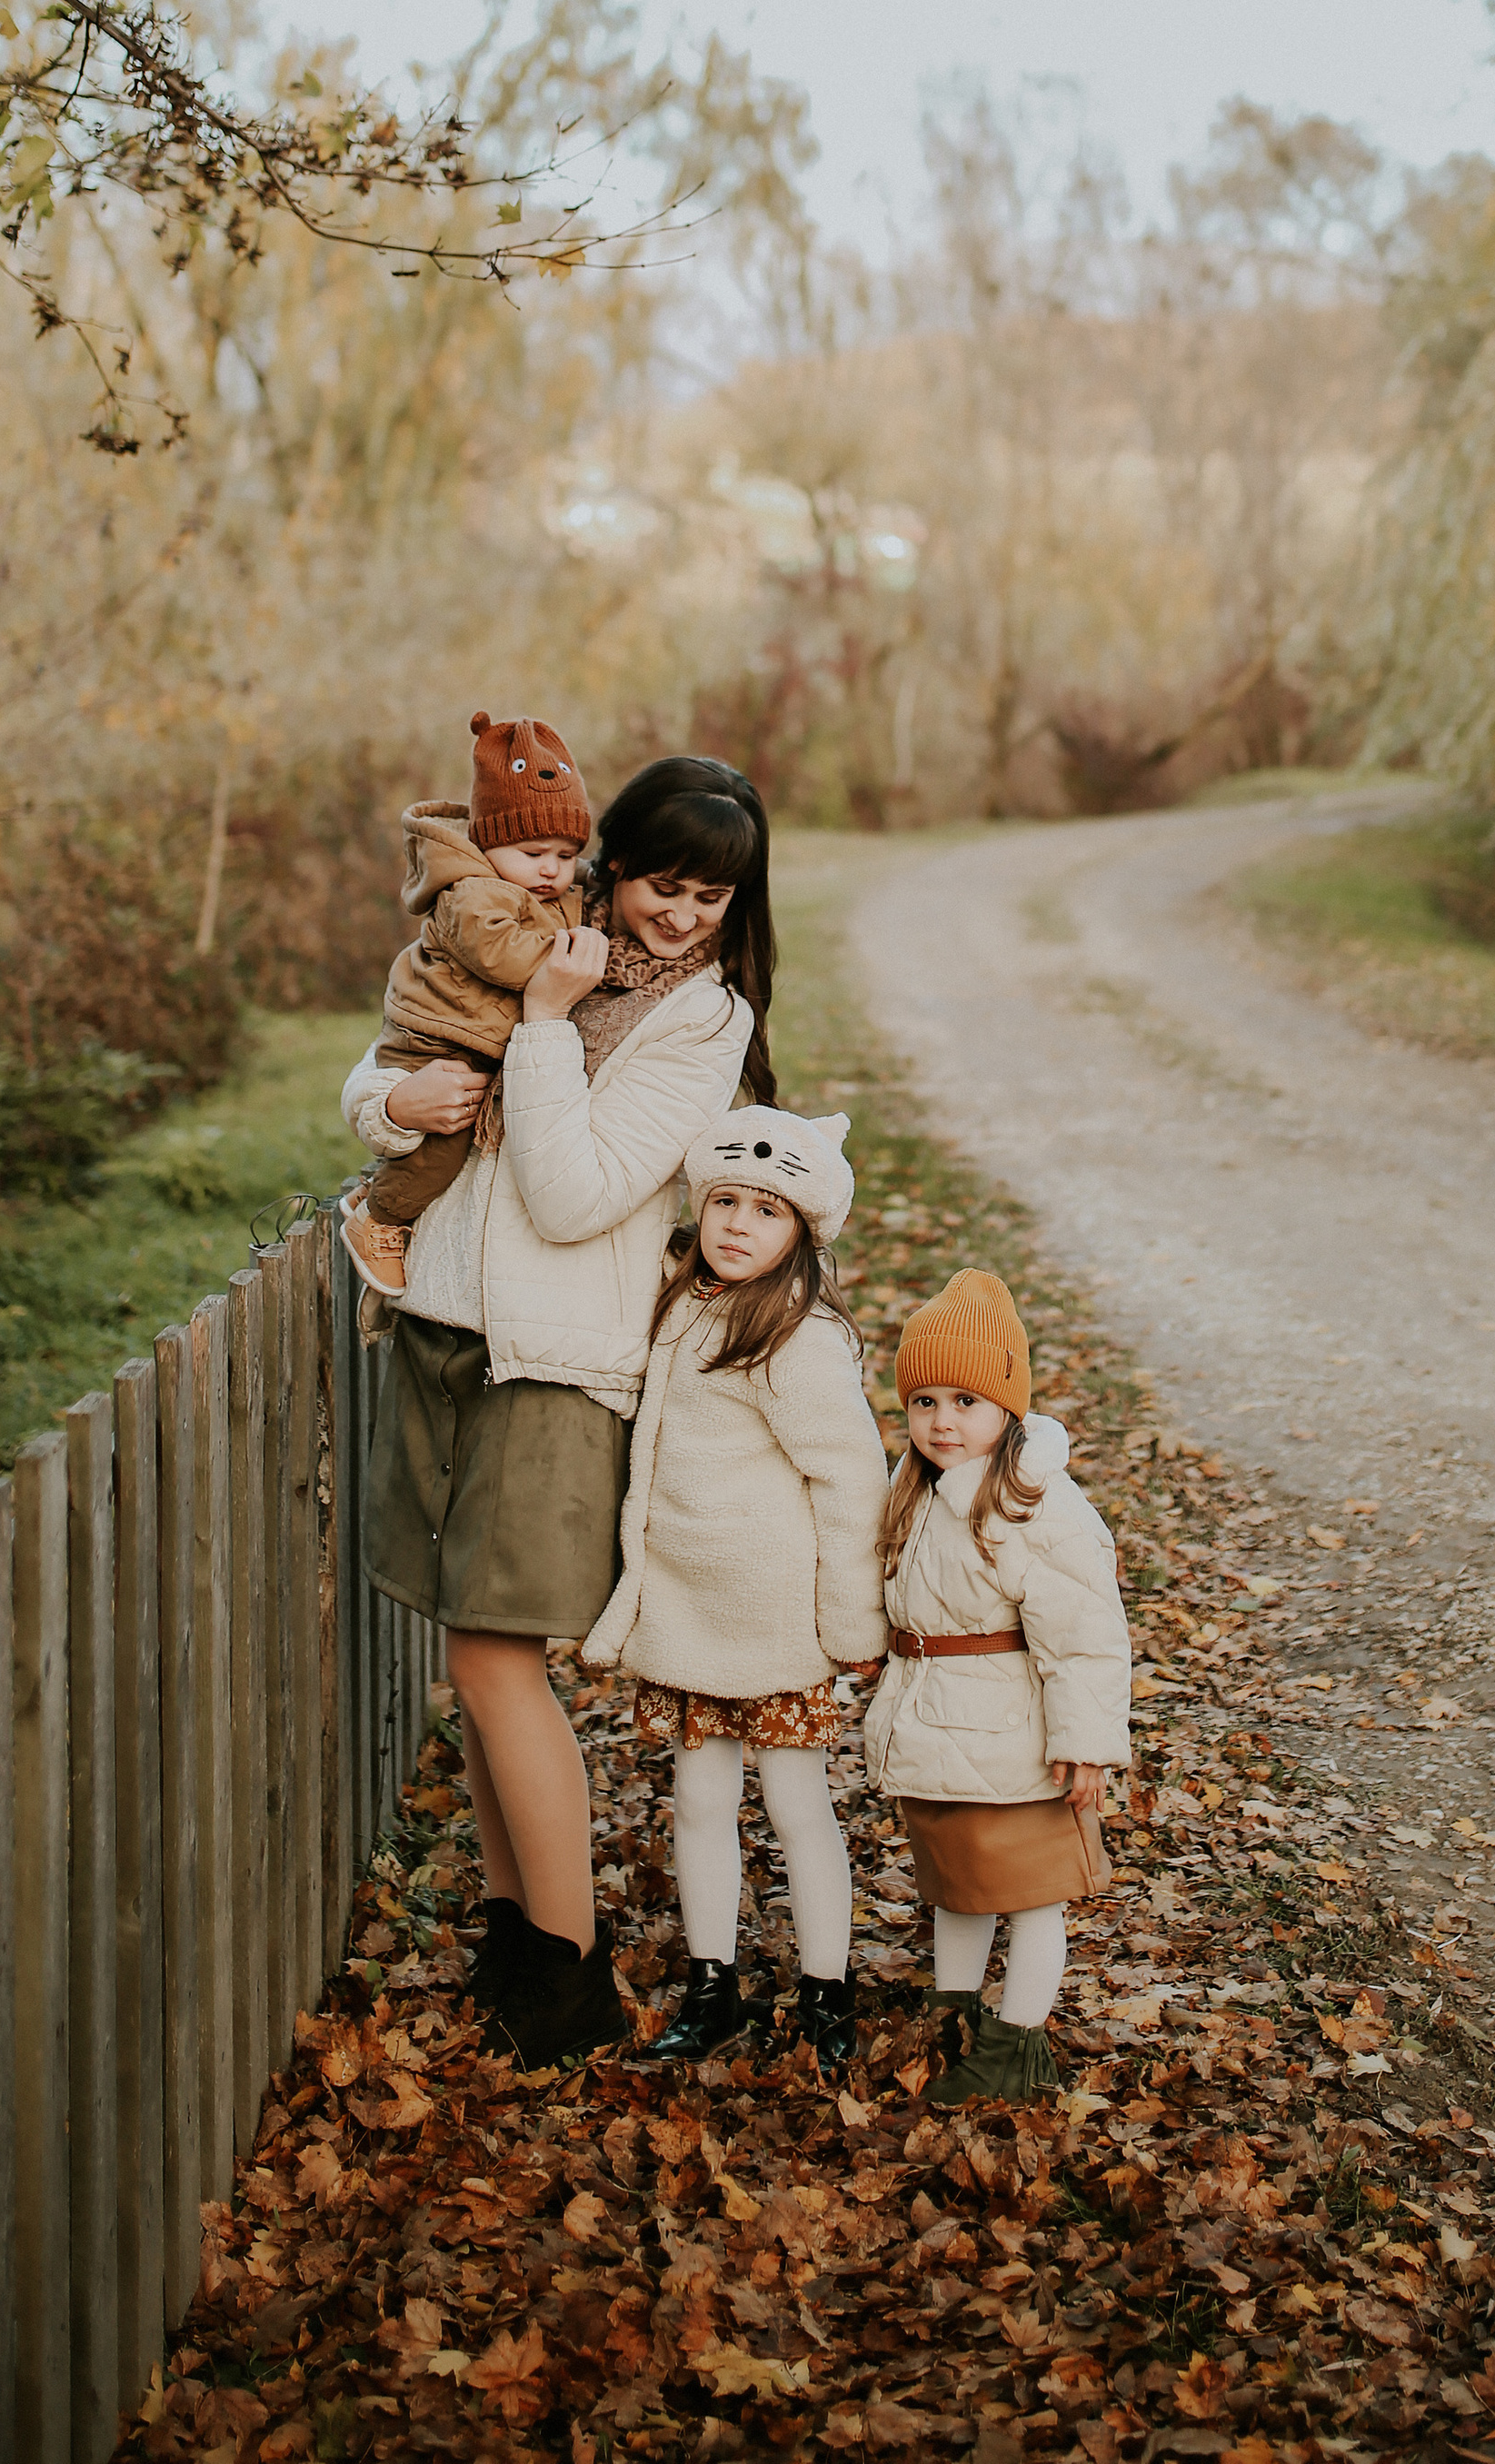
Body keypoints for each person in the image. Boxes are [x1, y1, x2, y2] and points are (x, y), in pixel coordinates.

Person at [343, 753, 777, 2067]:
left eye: (713, 895)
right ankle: (512, 1927)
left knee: (492, 1657)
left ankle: (571, 1973)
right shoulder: (536, 941)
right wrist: (385, 1103)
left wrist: (542, 1022)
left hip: (559, 1361)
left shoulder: (705, 1023)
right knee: (478, 1672)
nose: (683, 915)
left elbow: (578, 1193)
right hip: (441, 1329)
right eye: (662, 883)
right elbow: (392, 1060)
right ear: (609, 865)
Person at [583, 1108, 889, 2081]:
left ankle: (826, 1991)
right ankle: (713, 1985)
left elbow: (849, 1480)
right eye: (724, 1200)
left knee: (798, 1807)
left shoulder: (795, 1337)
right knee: (700, 1798)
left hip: (774, 1623)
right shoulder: (681, 1301)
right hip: (685, 1609)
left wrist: (850, 1623)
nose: (738, 1223)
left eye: (766, 1209)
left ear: (803, 1230)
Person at [862, 1269, 1132, 2106]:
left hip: (1013, 1735)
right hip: (938, 1722)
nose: (943, 1421)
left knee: (1029, 1894)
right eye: (925, 1402)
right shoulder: (916, 1489)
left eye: (966, 1402)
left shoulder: (1032, 1503)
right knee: (957, 1879)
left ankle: (1019, 2043)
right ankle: (956, 2013)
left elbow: (1084, 1633)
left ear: (1006, 1408)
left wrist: (1085, 1742)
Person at [340, 710, 592, 1310]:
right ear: (490, 842)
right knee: (443, 1150)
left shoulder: (527, 886)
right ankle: (379, 1217)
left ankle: (379, 1200)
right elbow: (503, 956)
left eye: (566, 853)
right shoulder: (474, 895)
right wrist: (570, 961)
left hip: (464, 1034)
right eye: (535, 851)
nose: (553, 869)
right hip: (435, 1039)